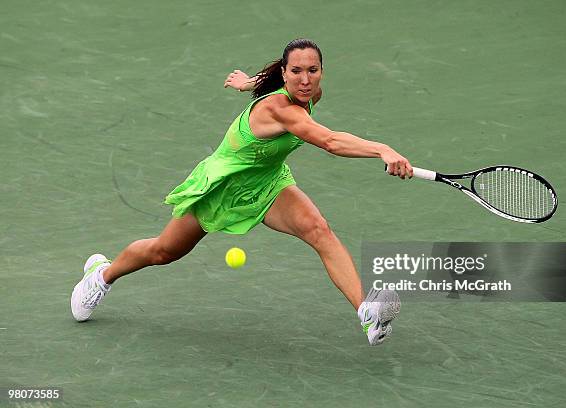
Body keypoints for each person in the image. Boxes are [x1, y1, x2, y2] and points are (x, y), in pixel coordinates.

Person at [71, 38, 413, 346]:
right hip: (223, 186)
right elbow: (329, 141)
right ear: (284, 72)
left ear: (322, 71)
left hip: (268, 182)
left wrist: (246, 83)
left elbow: (276, 88)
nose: (305, 80)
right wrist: (382, 149)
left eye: (313, 70)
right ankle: (102, 275)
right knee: (164, 251)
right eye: (296, 71)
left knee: (319, 229)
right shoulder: (278, 109)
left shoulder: (310, 94)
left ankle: (367, 314)